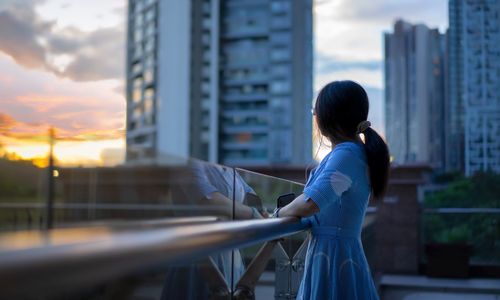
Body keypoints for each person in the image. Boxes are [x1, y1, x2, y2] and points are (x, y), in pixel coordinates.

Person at [274, 80, 389, 299]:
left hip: (334, 258)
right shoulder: (353, 153)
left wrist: (277, 214)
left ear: (327, 118)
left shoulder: (347, 155)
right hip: (335, 254)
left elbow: (311, 203)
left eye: (314, 112)